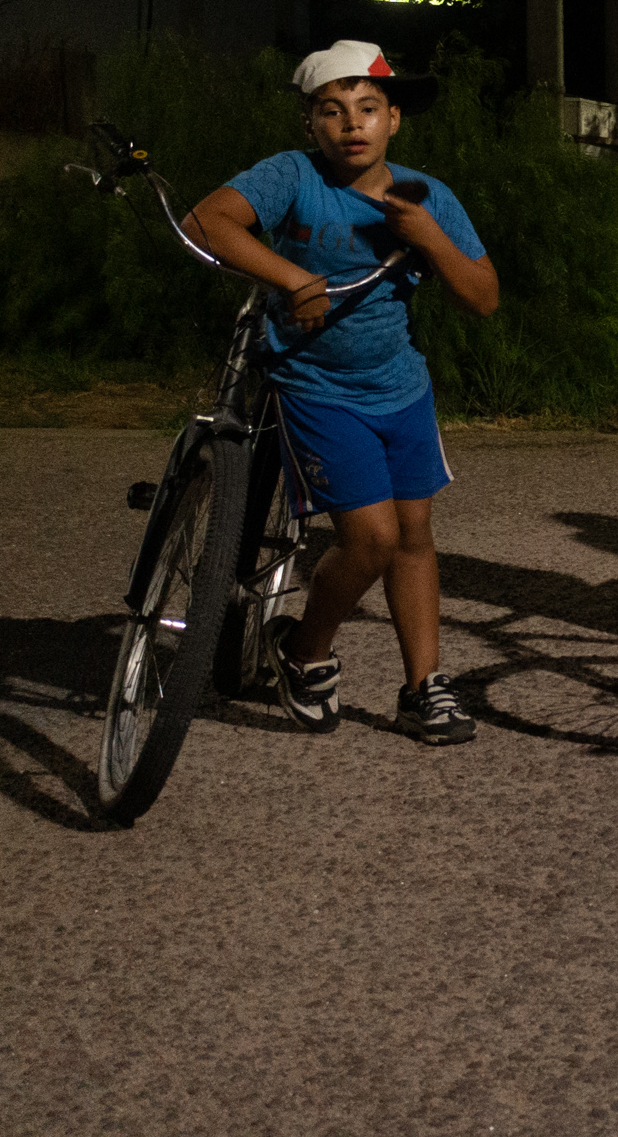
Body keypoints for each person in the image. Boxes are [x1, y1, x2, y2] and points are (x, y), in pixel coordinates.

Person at [181, 40, 499, 744]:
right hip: (314, 383)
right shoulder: (292, 177)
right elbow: (205, 221)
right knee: (372, 539)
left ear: (393, 120)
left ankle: (423, 687)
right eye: (332, 111)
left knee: (413, 534)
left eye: (367, 108)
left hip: (399, 384)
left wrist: (430, 240)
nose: (351, 124)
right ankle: (303, 651)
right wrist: (290, 277)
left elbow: (483, 296)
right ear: (309, 126)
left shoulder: (422, 194)